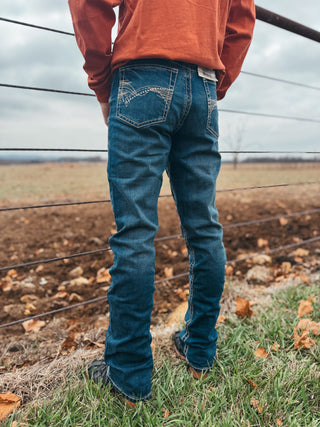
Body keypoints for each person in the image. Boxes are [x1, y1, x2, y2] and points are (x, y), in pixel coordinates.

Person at [68, 0, 255, 406]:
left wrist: (102, 84)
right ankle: (200, 349)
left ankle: (129, 374)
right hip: (203, 81)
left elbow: (88, 4)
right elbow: (241, 20)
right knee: (205, 227)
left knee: (135, 233)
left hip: (141, 75)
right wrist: (213, 86)